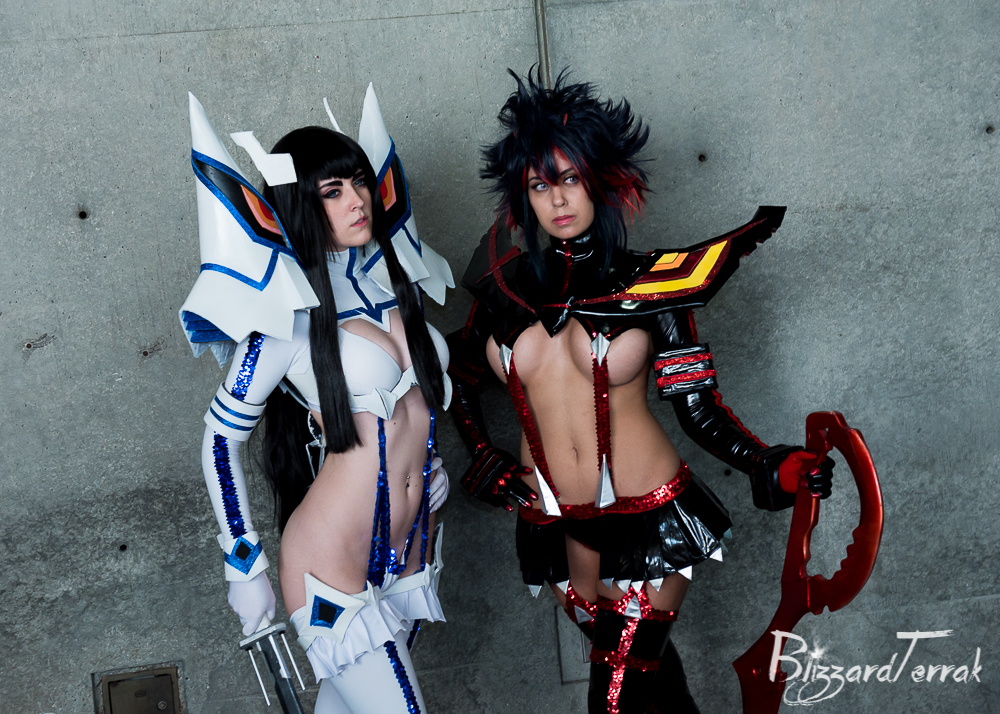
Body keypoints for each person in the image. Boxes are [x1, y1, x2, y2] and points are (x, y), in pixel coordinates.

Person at [446, 69, 834, 714]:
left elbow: (700, 410)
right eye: (540, 185)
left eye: (571, 179)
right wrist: (482, 454)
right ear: (522, 195)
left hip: (649, 520)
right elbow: (456, 380)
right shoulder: (502, 292)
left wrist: (769, 461)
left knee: (615, 702)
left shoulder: (656, 286)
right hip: (553, 523)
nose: (557, 199)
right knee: (658, 690)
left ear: (599, 181)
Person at [180, 90, 454, 713]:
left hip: (409, 554)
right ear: (301, 203)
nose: (357, 200)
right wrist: (242, 564)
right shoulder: (285, 316)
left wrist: (428, 468)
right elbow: (220, 439)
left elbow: (415, 412)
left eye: (358, 182)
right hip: (331, 567)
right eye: (332, 191)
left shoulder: (396, 285)